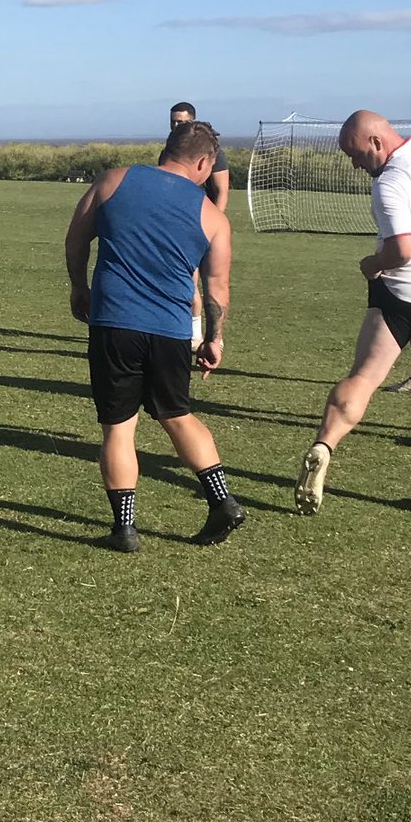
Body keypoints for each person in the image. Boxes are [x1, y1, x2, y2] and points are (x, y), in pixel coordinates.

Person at [65, 119, 245, 552]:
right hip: (170, 330)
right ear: (204, 162)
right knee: (177, 414)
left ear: (167, 148)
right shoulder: (213, 218)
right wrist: (212, 339)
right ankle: (221, 499)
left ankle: (124, 529)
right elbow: (217, 290)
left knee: (119, 428)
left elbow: (76, 239)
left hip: (115, 323)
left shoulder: (113, 181)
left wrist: (79, 286)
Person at [294, 109, 411, 515]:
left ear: (376, 142)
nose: (357, 166)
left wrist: (372, 264)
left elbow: (403, 250)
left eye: (356, 155)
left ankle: (324, 444)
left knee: (365, 377)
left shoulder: (390, 182)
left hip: (401, 293)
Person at [166, 102, 230, 350]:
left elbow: (222, 190)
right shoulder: (169, 151)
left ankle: (215, 337)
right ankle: (193, 334)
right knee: (186, 280)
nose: (176, 126)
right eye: (173, 122)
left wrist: (213, 225)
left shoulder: (214, 153)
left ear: (192, 121)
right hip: (179, 225)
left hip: (203, 225)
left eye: (181, 122)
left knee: (211, 280)